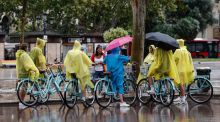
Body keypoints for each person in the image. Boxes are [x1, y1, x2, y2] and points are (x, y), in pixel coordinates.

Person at [16, 44, 39, 109]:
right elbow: (27, 64)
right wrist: (33, 69)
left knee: (23, 89)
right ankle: (21, 103)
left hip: (21, 73)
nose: (28, 48)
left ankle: (21, 102)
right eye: (27, 47)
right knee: (24, 89)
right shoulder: (24, 55)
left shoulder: (19, 54)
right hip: (25, 73)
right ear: (25, 48)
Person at [173, 39, 195, 103]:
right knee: (184, 83)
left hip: (180, 70)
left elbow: (174, 59)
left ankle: (182, 98)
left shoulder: (178, 51)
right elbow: (190, 60)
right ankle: (181, 96)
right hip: (188, 69)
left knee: (180, 84)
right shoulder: (187, 51)